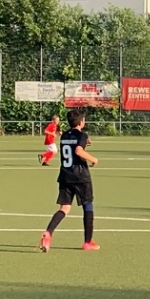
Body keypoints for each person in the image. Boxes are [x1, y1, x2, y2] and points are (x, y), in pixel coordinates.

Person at [39, 108, 99, 252]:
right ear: (81, 122)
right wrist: (94, 159)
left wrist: (83, 143)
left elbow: (72, 146)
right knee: (87, 205)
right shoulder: (82, 135)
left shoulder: (65, 135)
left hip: (65, 175)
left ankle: (48, 232)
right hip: (80, 176)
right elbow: (78, 151)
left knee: (64, 208)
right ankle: (87, 242)